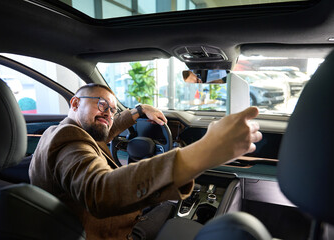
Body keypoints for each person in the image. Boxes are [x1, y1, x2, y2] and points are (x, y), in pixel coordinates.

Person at [29, 83, 262, 240]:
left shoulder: (59, 132)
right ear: (75, 103)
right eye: (102, 105)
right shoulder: (69, 142)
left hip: (82, 226)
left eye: (112, 109)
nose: (109, 114)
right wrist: (204, 151)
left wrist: (139, 111)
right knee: (171, 203)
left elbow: (105, 131)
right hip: (116, 234)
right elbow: (100, 190)